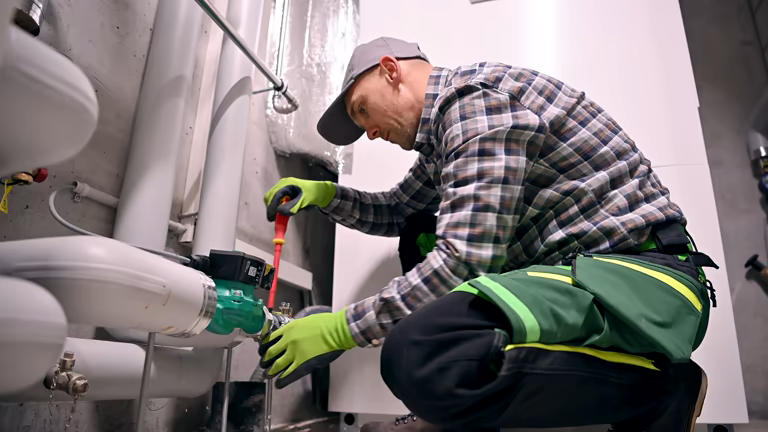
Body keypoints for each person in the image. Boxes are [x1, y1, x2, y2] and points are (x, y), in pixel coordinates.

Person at [259, 37, 719, 432]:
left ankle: (663, 392)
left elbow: (463, 260)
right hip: (591, 277)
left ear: (390, 70)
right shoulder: (447, 137)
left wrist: (341, 329)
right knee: (420, 229)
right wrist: (325, 195)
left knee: (421, 352)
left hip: (644, 282)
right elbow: (401, 210)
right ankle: (459, 421)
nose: (371, 132)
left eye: (363, 110)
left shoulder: (474, 103)